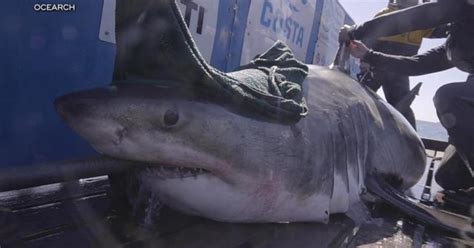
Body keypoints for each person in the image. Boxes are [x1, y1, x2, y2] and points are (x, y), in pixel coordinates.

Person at [339, 0, 474, 199]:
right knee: (448, 178)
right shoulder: (460, 38)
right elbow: (417, 65)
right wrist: (369, 55)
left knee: (448, 97)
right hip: (381, 71)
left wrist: (355, 31)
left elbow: (415, 18)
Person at [360, 0, 448, 129]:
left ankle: (411, 142)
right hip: (376, 68)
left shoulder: (422, 20)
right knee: (362, 101)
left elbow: (443, 30)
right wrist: (364, 62)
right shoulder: (385, 14)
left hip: (400, 71)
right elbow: (368, 37)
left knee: (403, 108)